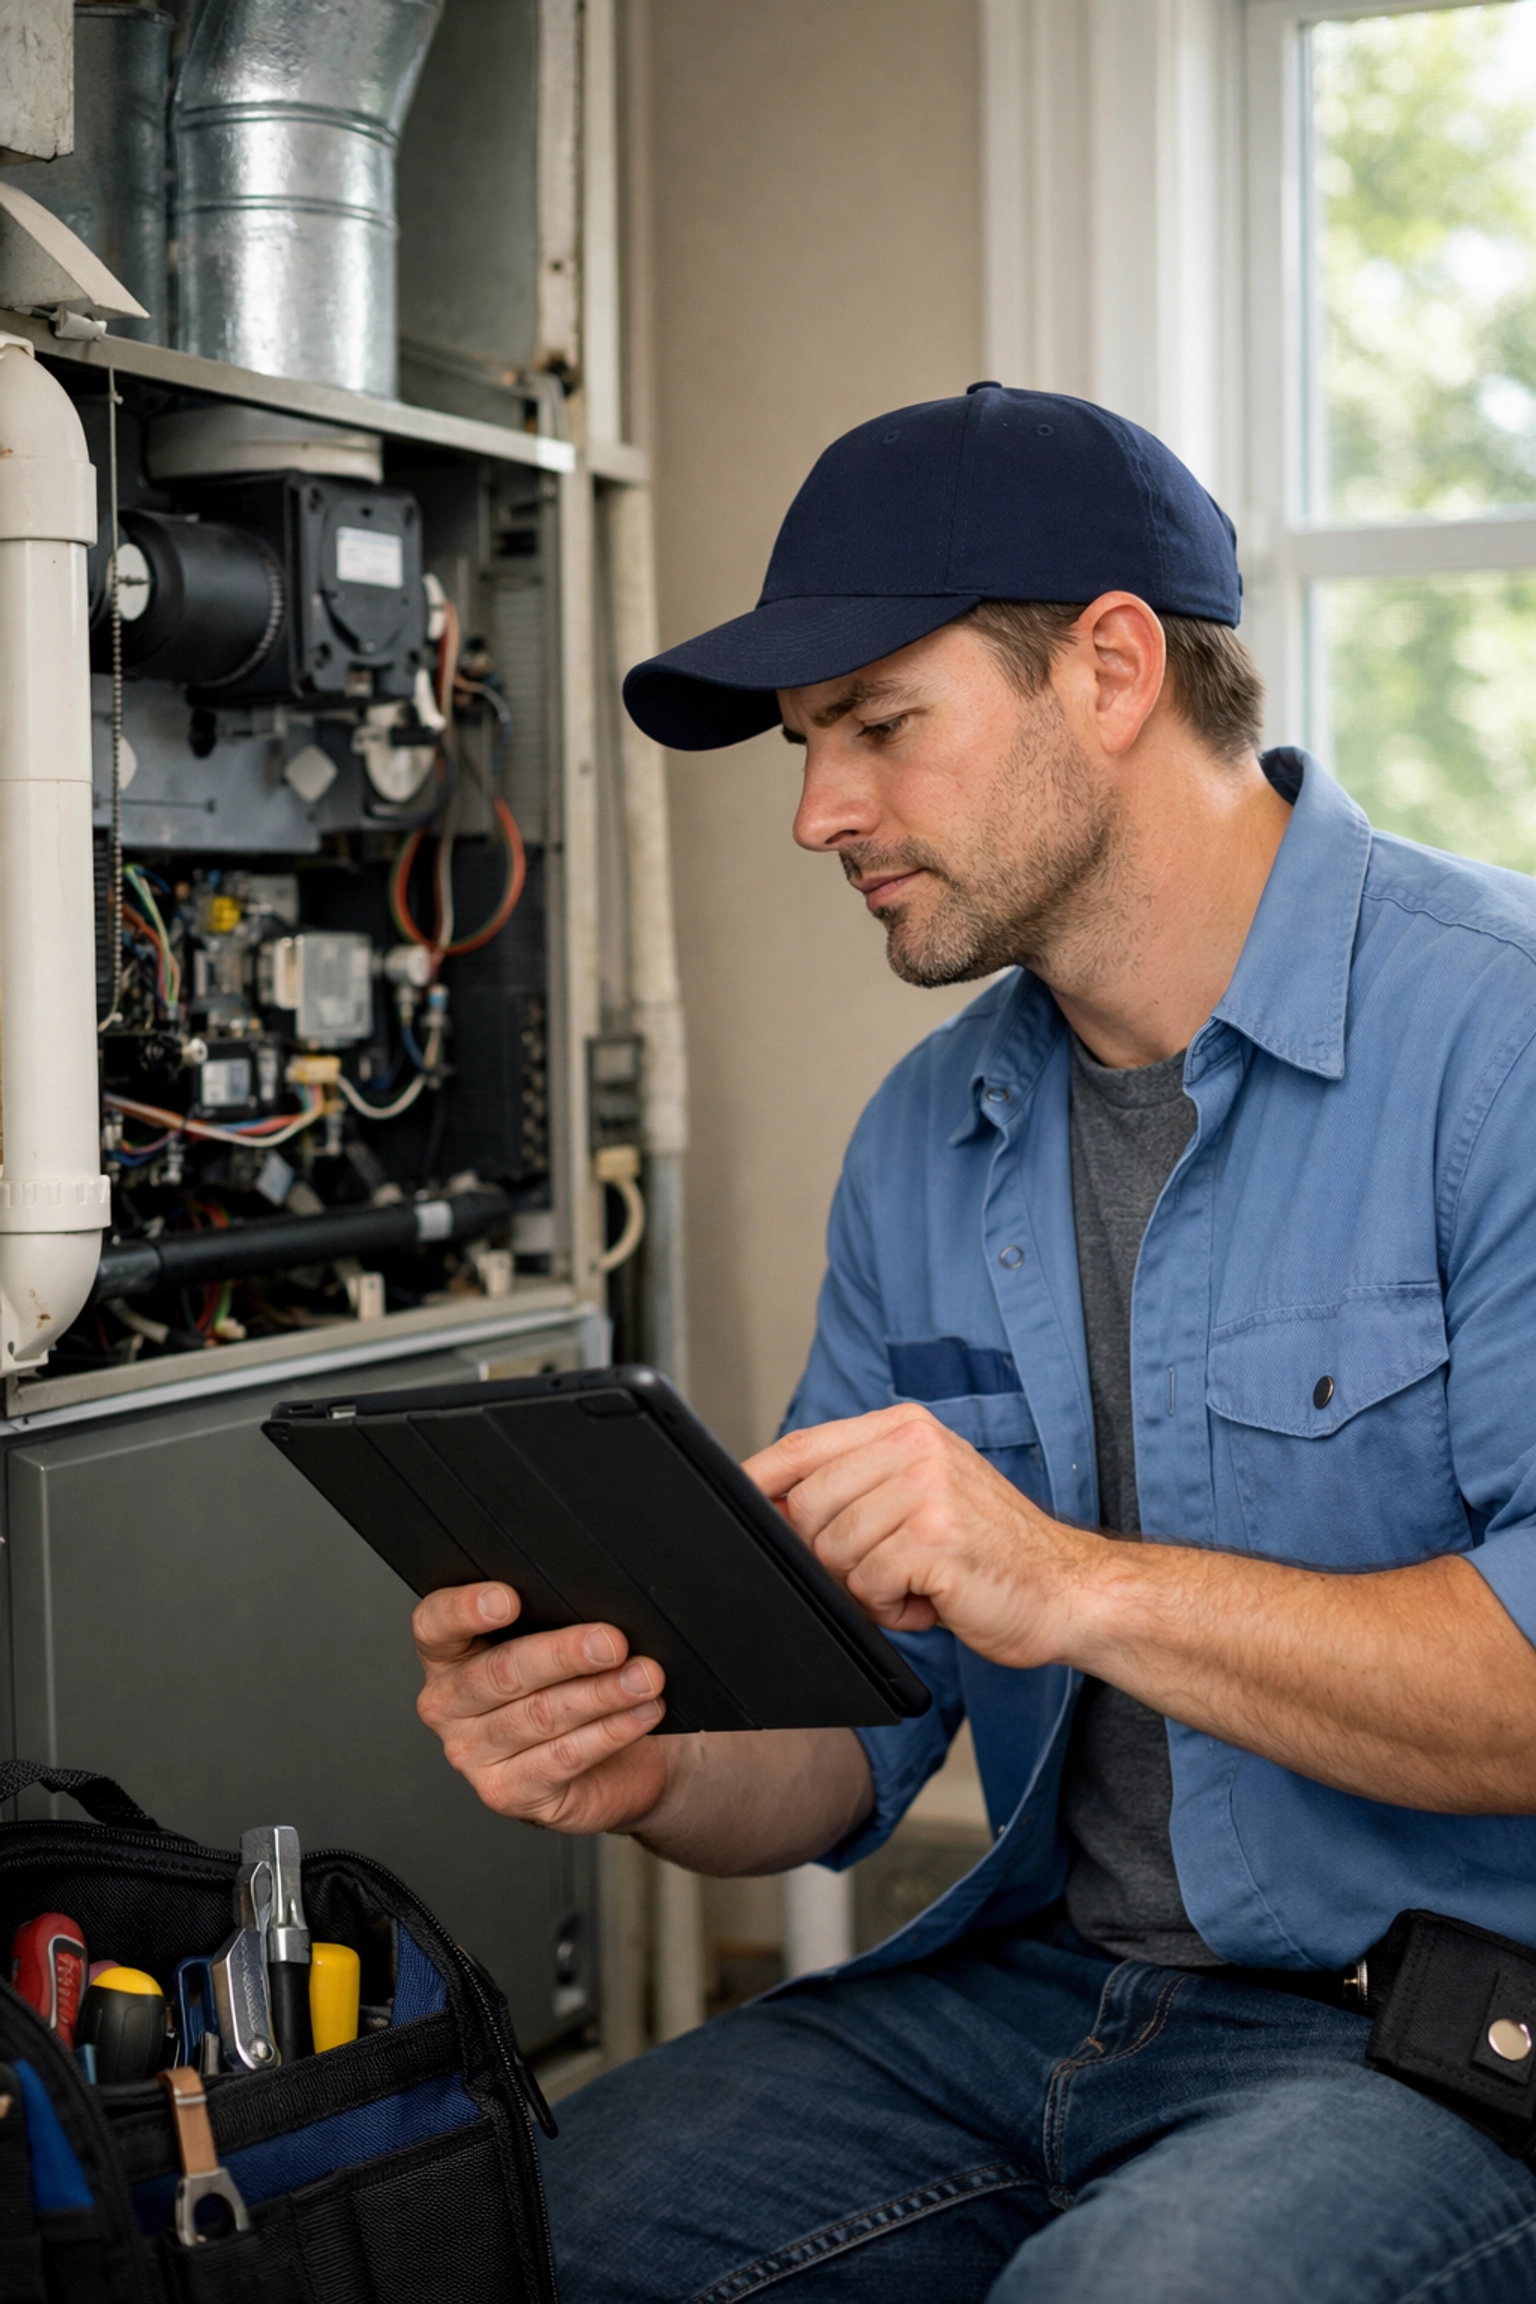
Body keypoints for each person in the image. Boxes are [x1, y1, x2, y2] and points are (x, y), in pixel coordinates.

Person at [413, 386, 1536, 2301]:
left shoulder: (1497, 1047)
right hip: (1019, 1995)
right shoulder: (932, 1138)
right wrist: (641, 1758)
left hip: (1433, 2026)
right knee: (504, 2233)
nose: (814, 812)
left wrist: (1069, 1582)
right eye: (800, 745)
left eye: (875, 725)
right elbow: (857, 1738)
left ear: (1109, 666)